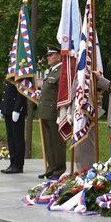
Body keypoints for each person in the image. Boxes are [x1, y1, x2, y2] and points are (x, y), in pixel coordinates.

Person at [37, 48, 65, 179]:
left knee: (56, 141)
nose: (48, 57)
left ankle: (59, 168)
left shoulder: (62, 71)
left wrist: (62, 113)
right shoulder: (51, 71)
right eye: (47, 55)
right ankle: (51, 166)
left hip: (54, 112)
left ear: (59, 56)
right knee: (48, 141)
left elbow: (62, 94)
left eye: (51, 55)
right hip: (45, 111)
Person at [0, 78, 28, 174]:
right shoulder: (11, 71)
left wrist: (17, 109)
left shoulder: (21, 73)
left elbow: (22, 92)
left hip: (16, 111)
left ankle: (18, 165)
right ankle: (12, 163)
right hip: (8, 109)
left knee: (17, 138)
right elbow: (6, 92)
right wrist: (1, 107)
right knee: (11, 139)